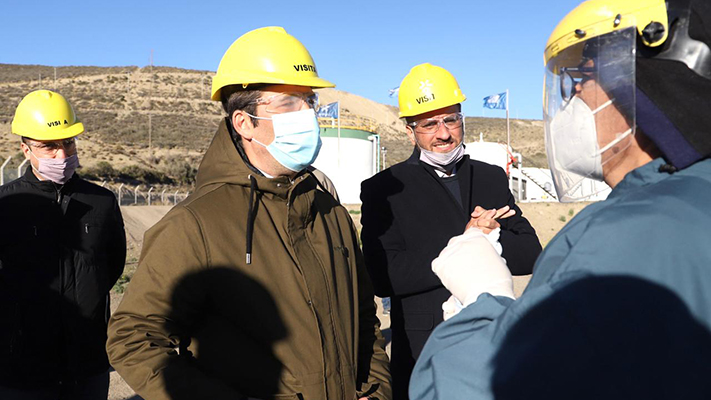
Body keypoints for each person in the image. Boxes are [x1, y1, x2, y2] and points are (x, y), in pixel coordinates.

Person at [410, 0, 711, 398]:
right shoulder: (692, 194)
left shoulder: (632, 234)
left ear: (639, 85)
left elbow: (467, 385)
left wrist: (484, 297)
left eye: (581, 79)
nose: (571, 100)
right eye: (429, 123)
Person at [106, 26, 391, 400]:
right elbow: (133, 339)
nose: (308, 113)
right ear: (244, 123)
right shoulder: (196, 223)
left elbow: (364, 320)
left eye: (309, 100)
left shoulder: (331, 213)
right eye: (289, 102)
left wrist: (378, 390)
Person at [360, 63, 541, 398]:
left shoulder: (490, 177)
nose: (443, 133)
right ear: (409, 131)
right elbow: (384, 276)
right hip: (424, 351)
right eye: (429, 124)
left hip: (494, 342)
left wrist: (493, 237)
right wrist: (470, 241)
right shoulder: (384, 189)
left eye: (451, 120)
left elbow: (530, 253)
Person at [0, 90, 126, 399]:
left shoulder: (102, 201)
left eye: (68, 143)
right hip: (21, 369)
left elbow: (111, 266)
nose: (62, 154)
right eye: (49, 146)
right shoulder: (5, 204)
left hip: (88, 365)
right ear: (25, 149)